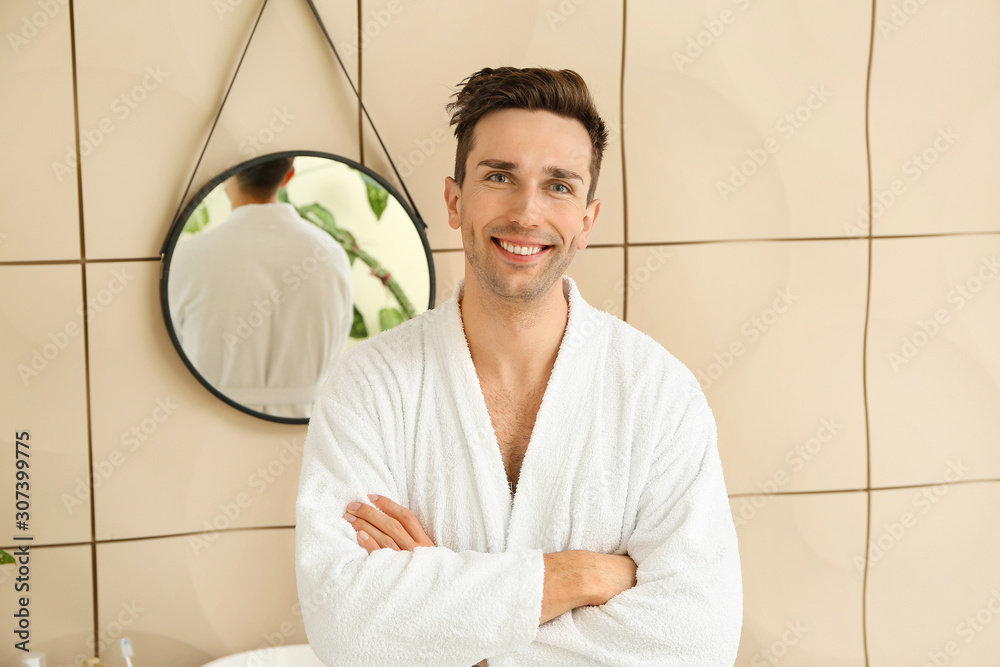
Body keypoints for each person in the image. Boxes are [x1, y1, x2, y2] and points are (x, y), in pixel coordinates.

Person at [295, 67, 742, 665]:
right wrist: (574, 577)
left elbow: (697, 639)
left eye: (559, 186)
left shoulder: (658, 394)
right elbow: (345, 627)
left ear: (587, 219)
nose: (527, 212)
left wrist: (457, 633)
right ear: (455, 201)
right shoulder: (370, 387)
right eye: (500, 176)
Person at [168, 156, 353, 418]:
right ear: (288, 176)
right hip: (305, 427)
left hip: (210, 420)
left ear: (227, 176)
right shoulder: (331, 254)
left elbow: (171, 352)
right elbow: (337, 348)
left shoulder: (188, 257)